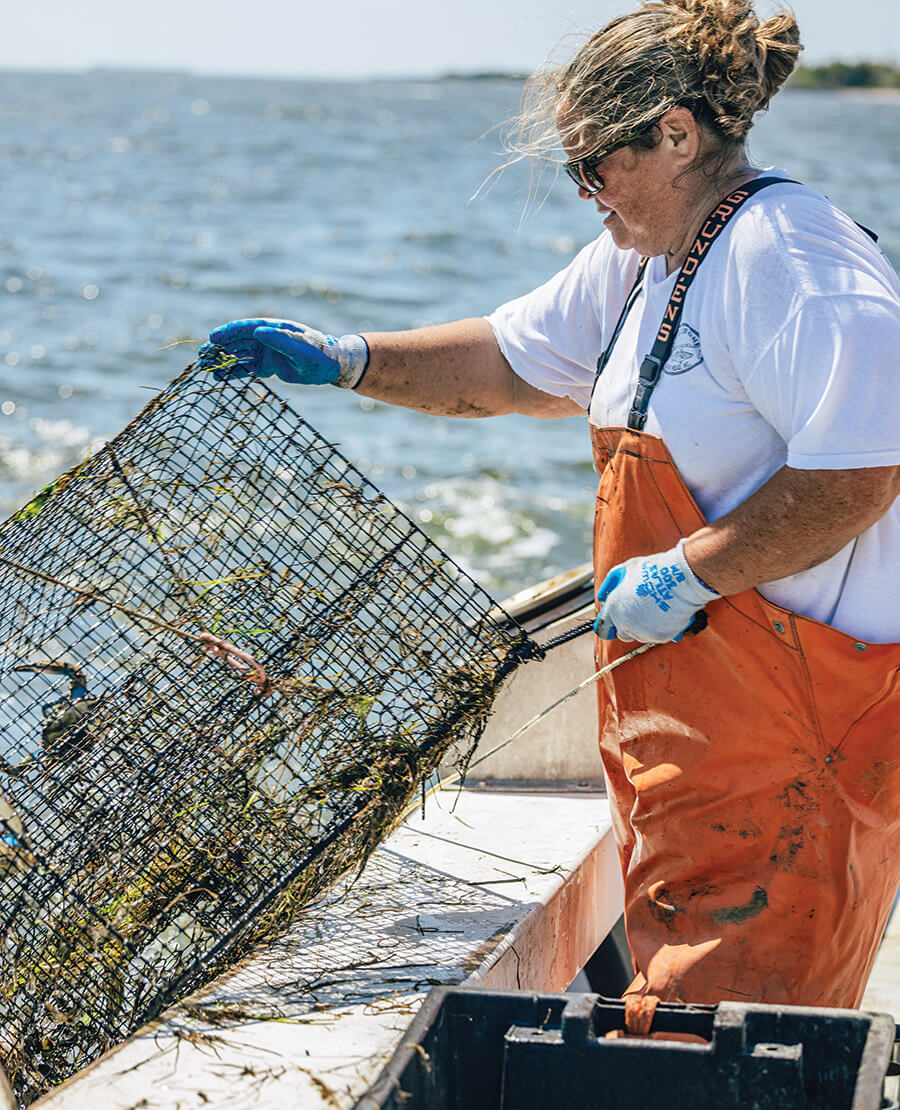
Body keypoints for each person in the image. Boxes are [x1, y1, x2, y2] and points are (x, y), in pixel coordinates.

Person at [199, 0, 900, 1023]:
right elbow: (505, 364)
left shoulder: (795, 261)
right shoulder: (647, 256)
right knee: (672, 1026)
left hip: (801, 755)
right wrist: (349, 360)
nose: (583, 190)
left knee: (728, 1052)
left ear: (676, 133)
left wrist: (692, 570)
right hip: (693, 746)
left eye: (593, 163)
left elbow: (861, 471)